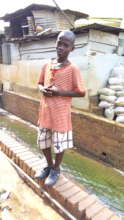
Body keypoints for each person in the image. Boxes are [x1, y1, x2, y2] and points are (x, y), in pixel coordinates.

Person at [34, 30, 86, 186]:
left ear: (72, 48)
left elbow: (81, 92)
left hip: (61, 115)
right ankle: (49, 165)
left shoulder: (73, 69)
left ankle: (56, 168)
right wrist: (41, 89)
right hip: (45, 112)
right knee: (43, 142)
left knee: (58, 145)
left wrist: (60, 92)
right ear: (55, 43)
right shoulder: (47, 65)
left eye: (66, 45)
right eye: (59, 43)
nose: (61, 47)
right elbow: (40, 82)